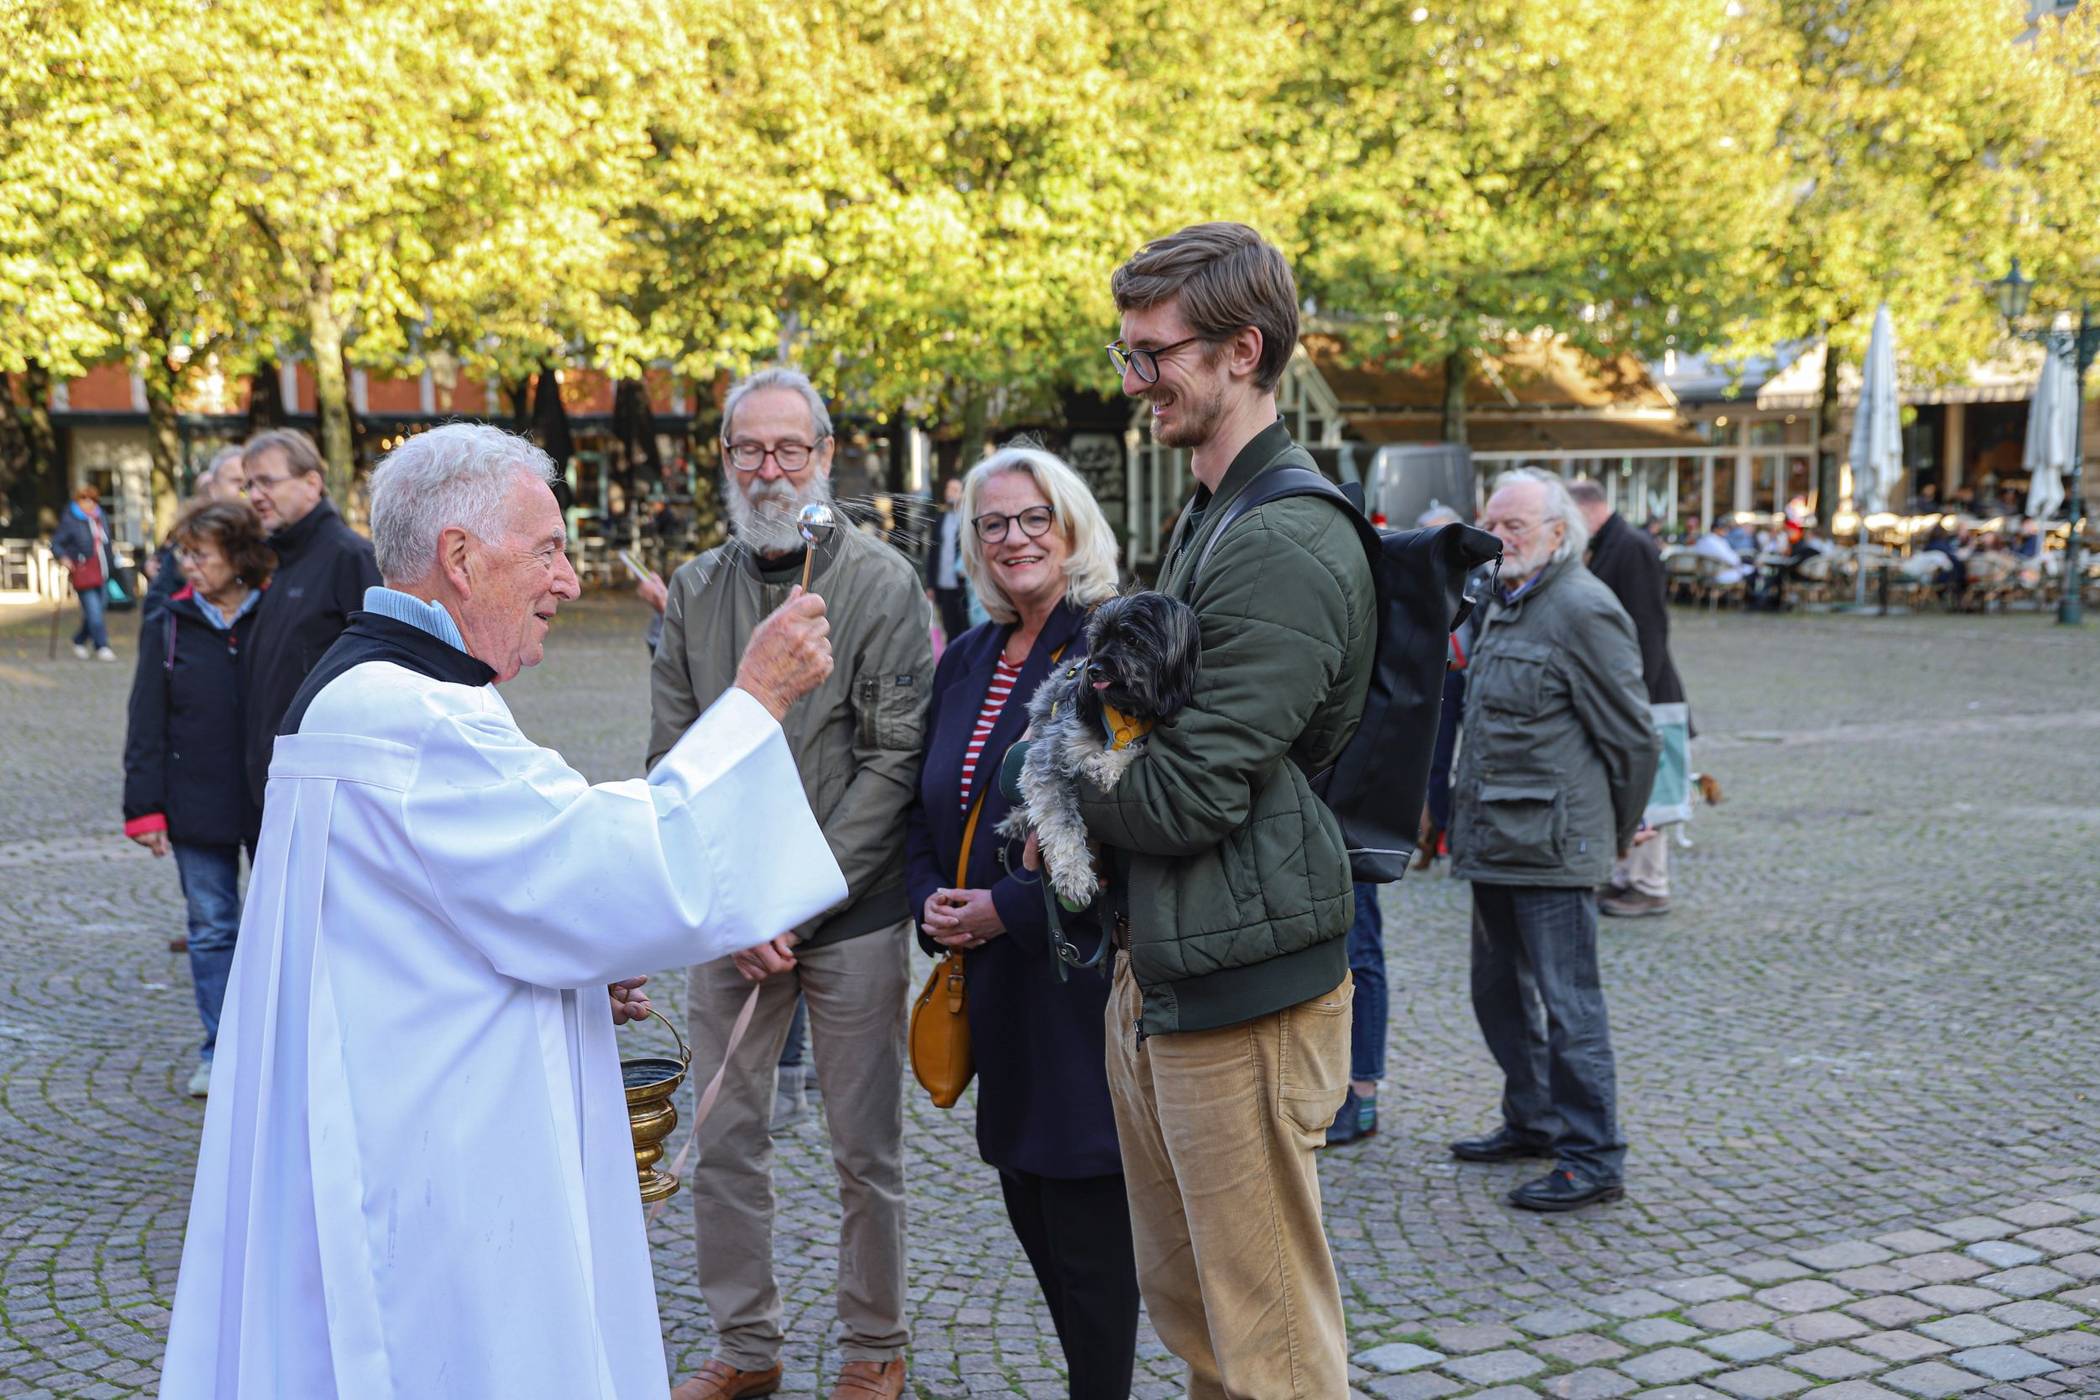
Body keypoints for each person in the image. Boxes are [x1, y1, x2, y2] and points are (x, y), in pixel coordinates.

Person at [156, 423, 842, 1400]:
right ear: (461, 557)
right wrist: (755, 699)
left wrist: (576, 960)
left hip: (404, 1113)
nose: (568, 581)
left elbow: (447, 908)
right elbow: (616, 864)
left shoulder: (366, 688)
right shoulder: (414, 715)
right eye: (550, 549)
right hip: (439, 1175)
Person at [1080, 222, 1375, 1397]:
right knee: (1202, 1320)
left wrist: (1055, 764)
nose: (1138, 381)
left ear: (1244, 350)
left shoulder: (1287, 537)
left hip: (1246, 991)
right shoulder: (1211, 511)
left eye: (1157, 356)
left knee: (1273, 1348)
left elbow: (1189, 788)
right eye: (1130, 354)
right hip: (1173, 965)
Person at [650, 367, 930, 1400]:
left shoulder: (884, 583)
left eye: (790, 449)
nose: (770, 469)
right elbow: (672, 759)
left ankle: (874, 1343)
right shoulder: (694, 590)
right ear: (723, 460)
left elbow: (893, 759)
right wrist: (733, 900)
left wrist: (794, 894)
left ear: (824, 453)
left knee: (865, 1144)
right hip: (733, 914)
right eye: (749, 450)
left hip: (848, 910)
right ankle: (746, 1342)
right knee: (723, 1134)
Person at [903, 446, 1140, 1399]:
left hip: (1078, 990)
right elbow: (933, 813)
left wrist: (1005, 908)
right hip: (995, 994)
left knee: (1088, 1240)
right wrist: (929, 898)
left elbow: (1134, 832)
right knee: (1031, 1208)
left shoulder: (1111, 652)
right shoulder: (965, 656)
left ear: (1072, 524)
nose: (1015, 539)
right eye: (993, 524)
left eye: (1035, 516)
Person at [1448, 469, 1658, 1213]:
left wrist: (1617, 830)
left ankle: (1593, 1154)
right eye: (1492, 523)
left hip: (1556, 846)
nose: (1499, 538)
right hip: (1495, 838)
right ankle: (1532, 1121)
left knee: (1571, 1005)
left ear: (1559, 534)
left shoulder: (1581, 607)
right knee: (1497, 995)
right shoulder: (1501, 600)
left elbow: (1634, 738)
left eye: (1516, 528)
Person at [121, 500, 274, 1098]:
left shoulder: (276, 616)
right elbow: (145, 721)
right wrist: (144, 809)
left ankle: (277, 1046)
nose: (187, 565)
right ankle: (219, 1050)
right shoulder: (169, 622)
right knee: (212, 929)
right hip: (195, 804)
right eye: (182, 553)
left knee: (280, 927)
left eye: (199, 554)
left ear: (237, 558)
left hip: (270, 802)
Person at [237, 428, 381, 812]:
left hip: (322, 791)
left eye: (266, 481)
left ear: (311, 483)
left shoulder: (349, 557)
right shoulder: (282, 561)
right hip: (275, 785)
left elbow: (381, 676)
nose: (254, 496)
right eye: (249, 485)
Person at [1570, 480, 1687, 919]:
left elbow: (1649, 628)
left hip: (1644, 690)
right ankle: (1625, 876)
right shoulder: (1612, 543)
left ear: (1587, 509)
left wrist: (1638, 694)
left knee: (1650, 784)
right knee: (1627, 779)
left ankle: (1648, 883)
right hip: (1630, 687)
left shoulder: (1631, 546)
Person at [144, 447, 248, 623]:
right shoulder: (189, 544)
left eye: (251, 483)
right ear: (213, 488)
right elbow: (156, 608)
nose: (245, 490)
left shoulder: (274, 543)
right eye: (237, 481)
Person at [51, 484, 121, 660]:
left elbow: (107, 542)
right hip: (83, 571)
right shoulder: (70, 519)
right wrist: (64, 558)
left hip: (102, 570)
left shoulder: (100, 517)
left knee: (98, 609)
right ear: (78, 501)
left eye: (92, 500)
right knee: (94, 610)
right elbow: (57, 543)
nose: (88, 503)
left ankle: (79, 640)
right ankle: (102, 646)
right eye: (84, 499)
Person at [922, 474, 969, 642]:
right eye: (948, 489)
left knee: (965, 627)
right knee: (949, 629)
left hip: (964, 585)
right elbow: (933, 552)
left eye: (955, 490)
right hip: (944, 584)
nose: (950, 493)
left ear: (964, 494)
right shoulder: (940, 520)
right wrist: (930, 584)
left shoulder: (969, 520)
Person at [1693, 518, 1753, 585]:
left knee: (1749, 570)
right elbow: (1732, 560)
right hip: (1720, 573)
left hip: (1710, 573)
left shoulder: (1706, 539)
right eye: (1723, 528)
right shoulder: (1713, 541)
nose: (1726, 530)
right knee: (1752, 572)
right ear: (1716, 529)